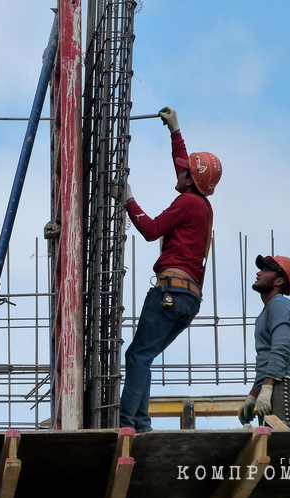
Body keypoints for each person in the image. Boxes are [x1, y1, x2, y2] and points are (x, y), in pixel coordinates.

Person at [109, 107, 222, 432]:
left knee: (138, 356)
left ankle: (131, 424)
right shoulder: (201, 203)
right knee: (142, 356)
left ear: (191, 179)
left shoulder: (187, 202)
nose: (181, 170)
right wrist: (175, 131)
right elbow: (185, 164)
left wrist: (128, 200)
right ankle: (139, 422)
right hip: (188, 299)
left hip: (170, 293)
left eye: (186, 171)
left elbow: (151, 230)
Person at [238, 255, 290, 425]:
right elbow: (265, 358)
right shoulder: (265, 313)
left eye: (266, 270)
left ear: (279, 281)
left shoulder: (279, 305)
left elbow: (280, 348)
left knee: (280, 445)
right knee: (268, 443)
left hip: (282, 383)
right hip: (272, 383)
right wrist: (254, 394)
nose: (259, 273)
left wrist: (267, 388)